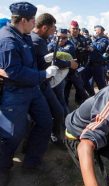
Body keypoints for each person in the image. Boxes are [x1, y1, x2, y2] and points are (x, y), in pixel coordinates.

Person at [0, 2, 59, 186]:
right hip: (16, 93)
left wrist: (44, 63)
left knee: (45, 122)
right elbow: (14, 72)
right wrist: (45, 74)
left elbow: (30, 63)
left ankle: (31, 161)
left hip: (33, 90)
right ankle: (3, 168)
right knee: (11, 135)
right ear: (23, 20)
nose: (35, 23)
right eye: (33, 19)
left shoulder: (23, 36)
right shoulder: (7, 40)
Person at [31, 13, 78, 144]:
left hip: (42, 82)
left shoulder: (37, 39)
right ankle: (49, 139)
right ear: (45, 27)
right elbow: (50, 61)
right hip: (39, 83)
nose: (53, 33)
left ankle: (53, 137)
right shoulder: (37, 41)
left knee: (56, 112)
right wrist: (69, 64)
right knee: (52, 114)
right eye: (52, 29)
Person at [48, 28, 78, 116]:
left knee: (62, 99)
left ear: (67, 38)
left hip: (63, 75)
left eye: (64, 38)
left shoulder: (70, 46)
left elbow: (59, 56)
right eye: (59, 37)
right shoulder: (52, 44)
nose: (61, 39)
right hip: (51, 75)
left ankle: (66, 121)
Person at [66, 20, 89, 105]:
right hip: (67, 67)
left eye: (76, 28)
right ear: (70, 29)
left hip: (79, 67)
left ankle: (79, 102)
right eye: (73, 28)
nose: (75, 30)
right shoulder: (66, 38)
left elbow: (86, 52)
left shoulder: (82, 38)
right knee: (67, 87)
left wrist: (84, 65)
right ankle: (66, 104)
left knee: (80, 87)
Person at [83, 25, 109, 96]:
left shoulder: (104, 40)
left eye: (95, 30)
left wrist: (91, 48)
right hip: (90, 64)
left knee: (101, 86)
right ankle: (92, 95)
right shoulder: (95, 40)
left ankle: (105, 99)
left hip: (98, 66)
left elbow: (99, 48)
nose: (94, 31)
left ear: (100, 31)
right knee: (83, 80)